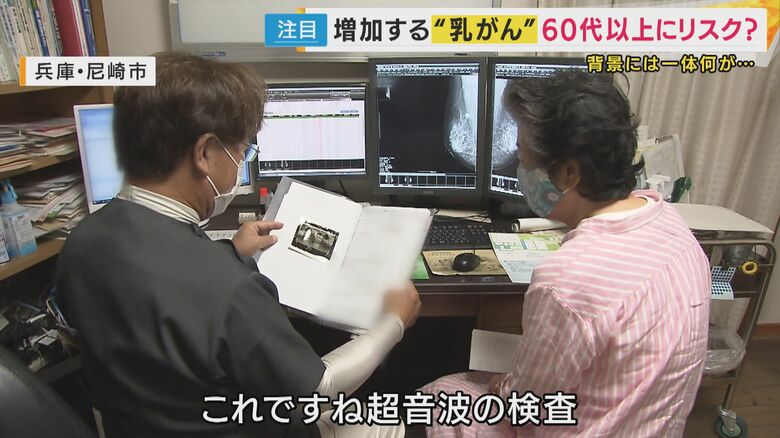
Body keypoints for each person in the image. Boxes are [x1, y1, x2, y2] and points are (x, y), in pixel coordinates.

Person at [56, 52, 419, 438]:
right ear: (204, 153)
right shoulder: (230, 289)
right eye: (242, 151)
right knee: (396, 424)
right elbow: (317, 393)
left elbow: (158, 299)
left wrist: (231, 252)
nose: (239, 166)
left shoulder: (81, 242)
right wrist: (392, 323)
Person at [423, 70, 710, 437]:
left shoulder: (565, 280)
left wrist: (504, 385)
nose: (522, 170)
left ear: (569, 172)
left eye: (523, 157)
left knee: (441, 394)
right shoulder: (675, 228)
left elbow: (528, 408)